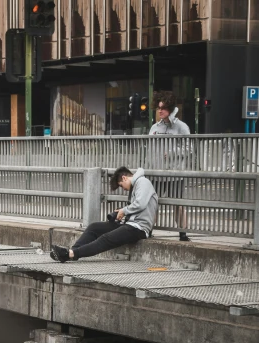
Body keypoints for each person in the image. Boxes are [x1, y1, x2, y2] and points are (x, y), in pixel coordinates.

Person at [50, 167, 158, 262]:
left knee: (106, 238)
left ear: (124, 178)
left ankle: (69, 254)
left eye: (121, 186)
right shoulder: (136, 185)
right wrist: (121, 213)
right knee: (94, 227)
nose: (124, 189)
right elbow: (137, 206)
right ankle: (72, 251)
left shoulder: (143, 182)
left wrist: (124, 211)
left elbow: (141, 204)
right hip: (130, 224)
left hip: (139, 228)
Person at [149, 91, 190, 241]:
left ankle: (183, 233)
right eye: (159, 108)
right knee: (152, 202)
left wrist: (172, 153)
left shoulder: (181, 127)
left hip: (175, 174)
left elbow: (189, 149)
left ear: (171, 109)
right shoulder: (154, 127)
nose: (160, 111)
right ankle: (149, 230)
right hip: (157, 173)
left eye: (164, 108)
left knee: (178, 204)